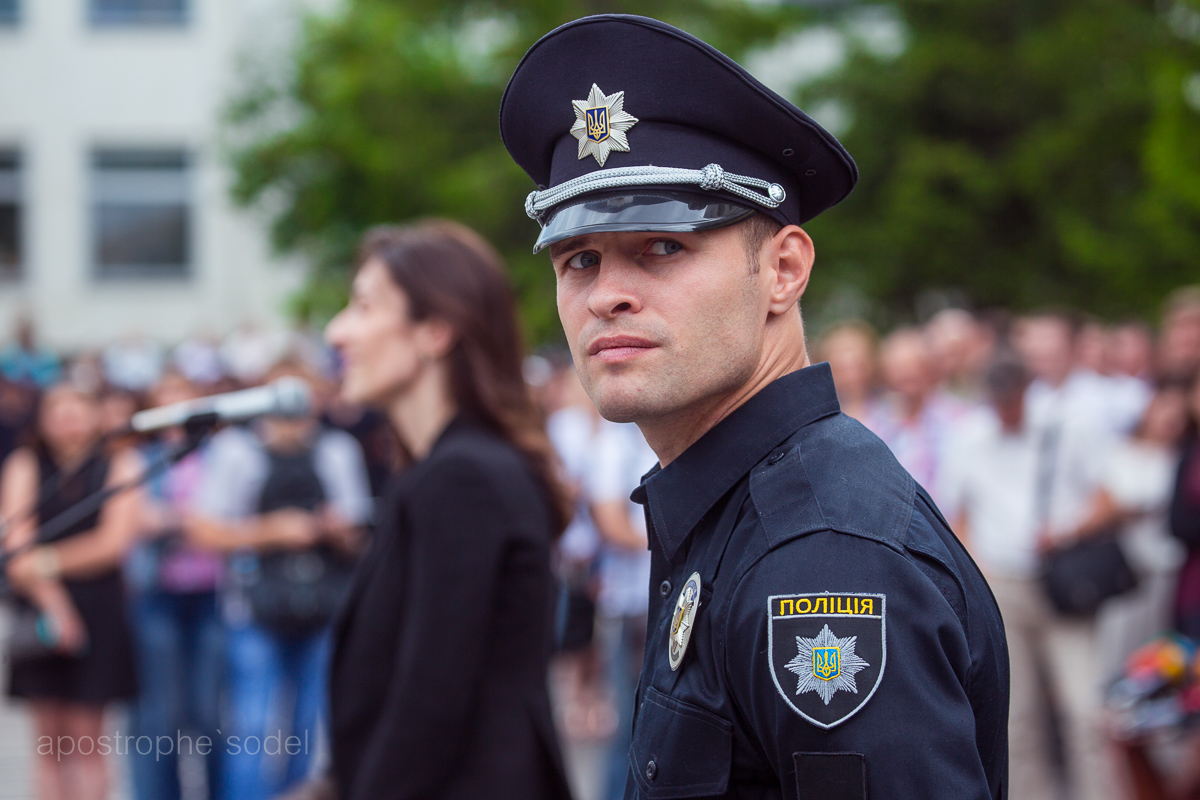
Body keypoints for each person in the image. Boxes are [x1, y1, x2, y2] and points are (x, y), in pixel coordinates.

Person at [500, 15, 1008, 799]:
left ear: (784, 270)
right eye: (580, 260)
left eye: (663, 247)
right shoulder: (739, 504)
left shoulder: (821, 559)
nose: (606, 295)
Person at [318, 221, 574, 800]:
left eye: (363, 306)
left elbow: (430, 703)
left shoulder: (465, 477)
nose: (338, 331)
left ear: (435, 330)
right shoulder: (448, 471)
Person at [185, 363, 371, 800]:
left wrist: (335, 529)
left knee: (308, 723)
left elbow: (358, 530)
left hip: (323, 602)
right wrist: (273, 530)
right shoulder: (234, 450)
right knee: (253, 724)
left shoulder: (338, 450)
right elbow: (202, 530)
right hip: (255, 607)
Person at [943, 354, 1115, 800]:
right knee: (1015, 717)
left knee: (1083, 709)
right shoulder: (969, 435)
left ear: (1026, 390)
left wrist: (1064, 531)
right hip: (1002, 586)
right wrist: (979, 572)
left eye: (1012, 402)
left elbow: (1108, 499)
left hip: (1059, 585)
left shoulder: (1066, 425)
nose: (1005, 411)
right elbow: (957, 514)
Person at [1, 382, 143, 800]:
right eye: (57, 409)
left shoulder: (119, 463)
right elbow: (16, 547)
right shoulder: (26, 464)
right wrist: (55, 604)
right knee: (49, 742)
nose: (67, 419)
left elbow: (112, 544)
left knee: (86, 740)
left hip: (98, 608)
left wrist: (43, 561)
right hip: (42, 610)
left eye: (76, 407)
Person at [125, 372, 226, 800]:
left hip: (213, 594)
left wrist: (179, 520)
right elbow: (136, 518)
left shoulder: (220, 456)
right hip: (157, 594)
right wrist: (189, 522)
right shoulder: (139, 460)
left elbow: (228, 516)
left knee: (210, 712)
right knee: (157, 715)